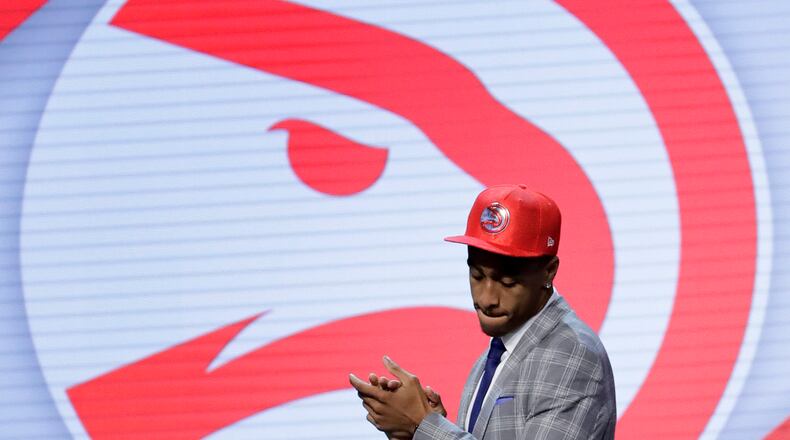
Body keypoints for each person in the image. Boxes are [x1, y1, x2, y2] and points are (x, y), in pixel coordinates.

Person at [349, 184, 616, 439]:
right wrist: (416, 430)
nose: (486, 298)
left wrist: (423, 425)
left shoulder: (571, 354)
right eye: (476, 275)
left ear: (549, 271)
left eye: (507, 281)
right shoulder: (497, 353)